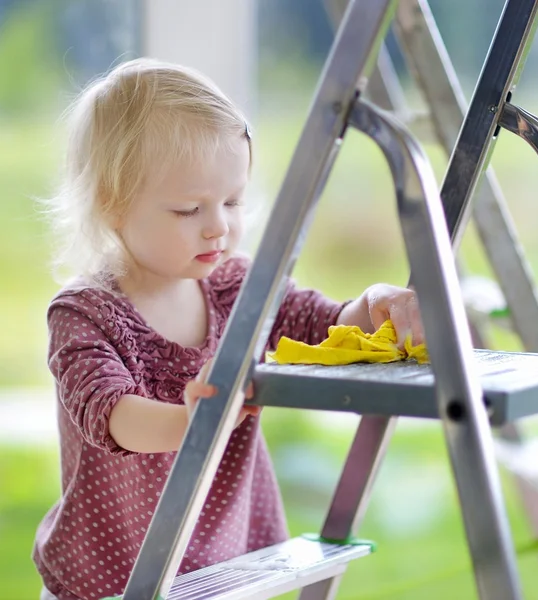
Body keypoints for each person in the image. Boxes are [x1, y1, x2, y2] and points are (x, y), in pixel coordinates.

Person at [33, 58, 425, 600]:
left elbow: (325, 325)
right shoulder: (84, 313)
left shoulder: (237, 286)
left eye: (233, 200)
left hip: (223, 564)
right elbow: (108, 413)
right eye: (189, 208)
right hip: (111, 575)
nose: (219, 225)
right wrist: (192, 422)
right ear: (113, 205)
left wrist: (376, 303)